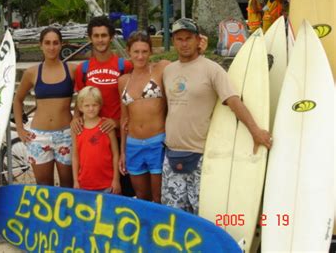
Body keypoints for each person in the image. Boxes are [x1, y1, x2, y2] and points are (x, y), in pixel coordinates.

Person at [161, 18, 272, 214]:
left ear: (198, 40)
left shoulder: (212, 69)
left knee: (202, 216)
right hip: (171, 155)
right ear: (174, 41)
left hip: (202, 156)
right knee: (174, 218)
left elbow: (234, 101)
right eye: (179, 39)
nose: (184, 43)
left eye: (189, 38)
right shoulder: (168, 71)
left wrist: (256, 131)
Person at [70, 16, 135, 196]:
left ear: (112, 37)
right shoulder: (82, 69)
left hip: (119, 137)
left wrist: (116, 122)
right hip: (93, 137)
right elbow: (81, 100)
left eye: (104, 35)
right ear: (90, 38)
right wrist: (75, 119)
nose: (100, 40)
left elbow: (133, 101)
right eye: (96, 36)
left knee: (123, 191)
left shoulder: (125, 66)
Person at [13, 27, 75, 187]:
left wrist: (80, 118)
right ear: (41, 45)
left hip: (67, 135)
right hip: (39, 137)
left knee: (67, 185)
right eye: (47, 43)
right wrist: (20, 128)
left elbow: (88, 96)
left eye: (55, 43)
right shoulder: (32, 72)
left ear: (61, 45)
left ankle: (64, 213)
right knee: (43, 187)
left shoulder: (72, 70)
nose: (51, 47)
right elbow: (18, 99)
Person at [118, 31, 169, 202]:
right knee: (141, 197)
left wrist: (199, 48)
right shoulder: (123, 80)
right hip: (133, 145)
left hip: (157, 142)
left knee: (159, 197)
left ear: (151, 52)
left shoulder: (161, 68)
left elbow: (186, 65)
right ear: (128, 52)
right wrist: (123, 152)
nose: (140, 56)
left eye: (144, 51)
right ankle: (146, 228)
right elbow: (124, 118)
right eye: (136, 52)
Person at [72, 86, 121, 193]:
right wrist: (75, 180)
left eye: (94, 105)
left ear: (100, 105)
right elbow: (75, 156)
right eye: (87, 105)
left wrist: (116, 180)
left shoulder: (106, 126)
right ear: (80, 107)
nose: (91, 108)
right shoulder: (77, 128)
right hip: (84, 184)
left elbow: (116, 154)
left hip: (107, 184)